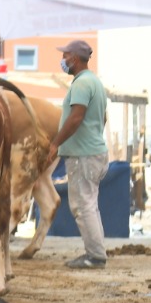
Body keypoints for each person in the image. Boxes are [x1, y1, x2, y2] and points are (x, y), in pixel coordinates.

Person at [44, 39, 109, 269]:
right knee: (89, 204)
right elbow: (103, 118)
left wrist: (55, 144)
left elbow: (76, 117)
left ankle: (95, 257)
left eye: (66, 56)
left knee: (83, 206)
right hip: (94, 152)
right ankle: (97, 252)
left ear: (76, 59)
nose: (63, 60)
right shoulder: (95, 82)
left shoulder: (81, 84)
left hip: (84, 156)